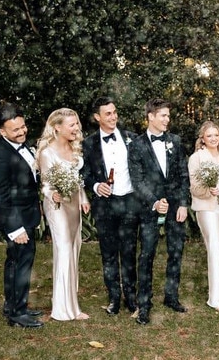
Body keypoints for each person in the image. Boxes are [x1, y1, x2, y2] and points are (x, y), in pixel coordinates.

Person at [128, 98, 190, 325]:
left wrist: (182, 203)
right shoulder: (136, 145)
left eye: (168, 116)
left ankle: (171, 297)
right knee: (146, 255)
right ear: (150, 116)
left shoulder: (175, 141)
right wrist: (155, 202)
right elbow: (137, 180)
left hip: (176, 208)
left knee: (176, 252)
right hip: (148, 208)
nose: (167, 119)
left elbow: (183, 175)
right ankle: (143, 304)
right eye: (163, 115)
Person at [0, 103, 44, 328]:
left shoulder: (21, 144)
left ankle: (14, 306)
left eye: (23, 127)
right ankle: (17, 314)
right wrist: (15, 228)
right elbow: (0, 196)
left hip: (26, 214)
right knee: (19, 263)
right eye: (15, 130)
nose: (22, 132)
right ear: (2, 132)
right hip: (15, 220)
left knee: (17, 262)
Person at [82, 97, 140, 316]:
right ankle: (114, 298)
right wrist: (96, 186)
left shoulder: (131, 138)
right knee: (108, 253)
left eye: (114, 112)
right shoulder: (89, 144)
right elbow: (85, 174)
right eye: (108, 113)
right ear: (97, 117)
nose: (113, 116)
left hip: (129, 202)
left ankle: (131, 298)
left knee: (129, 250)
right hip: (105, 205)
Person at [36, 108, 91, 321]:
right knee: (65, 250)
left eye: (77, 124)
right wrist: (53, 194)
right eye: (71, 125)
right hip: (57, 207)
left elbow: (77, 181)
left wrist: (84, 198)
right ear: (57, 127)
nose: (76, 128)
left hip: (74, 206)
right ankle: (62, 309)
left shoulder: (73, 148)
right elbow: (45, 186)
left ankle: (72, 305)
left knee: (74, 250)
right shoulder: (47, 153)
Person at [189, 121, 219, 313]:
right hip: (206, 207)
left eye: (216, 135)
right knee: (216, 246)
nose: (213, 139)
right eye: (209, 136)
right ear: (203, 138)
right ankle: (217, 297)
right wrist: (207, 190)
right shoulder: (196, 158)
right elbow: (194, 187)